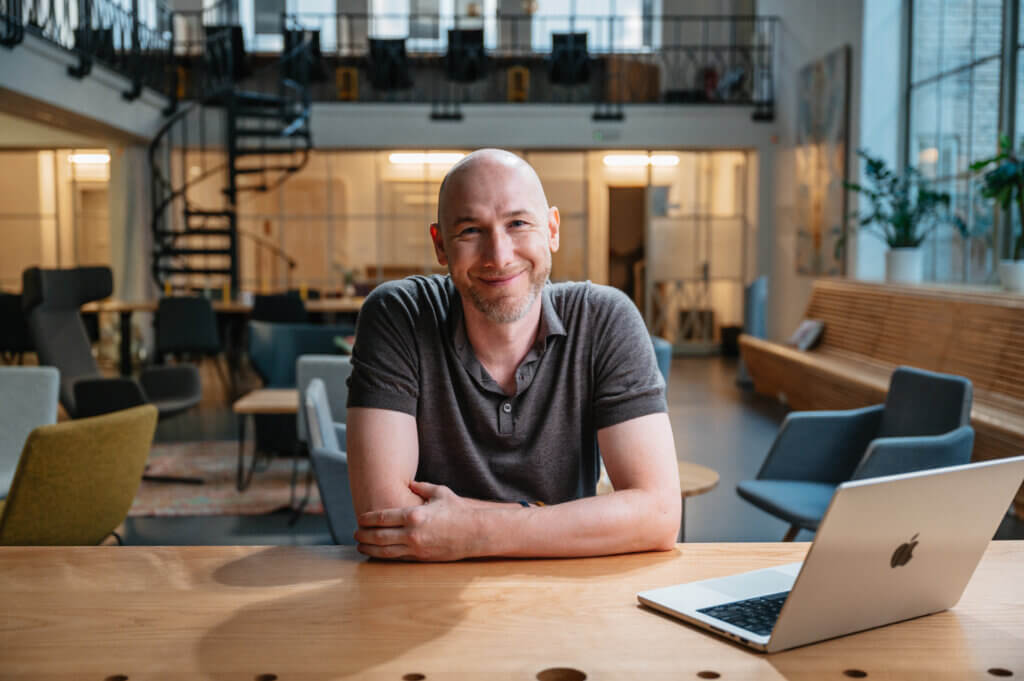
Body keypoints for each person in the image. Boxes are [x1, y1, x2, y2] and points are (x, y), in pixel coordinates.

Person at [347, 148, 680, 561]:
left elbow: (660, 514)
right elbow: (386, 517)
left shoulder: (604, 319)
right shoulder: (399, 314)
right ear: (440, 245)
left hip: (565, 597)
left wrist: (474, 531)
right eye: (470, 230)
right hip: (420, 597)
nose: (499, 256)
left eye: (518, 223)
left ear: (552, 230)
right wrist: (565, 522)